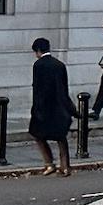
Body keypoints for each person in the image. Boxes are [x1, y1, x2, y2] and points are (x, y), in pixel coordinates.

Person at [27, 37, 75, 176]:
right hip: (59, 105)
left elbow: (37, 88)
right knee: (60, 137)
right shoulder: (60, 65)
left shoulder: (38, 65)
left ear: (38, 51)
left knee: (38, 135)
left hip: (43, 106)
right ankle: (65, 166)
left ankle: (49, 163)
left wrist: (35, 108)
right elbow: (64, 88)